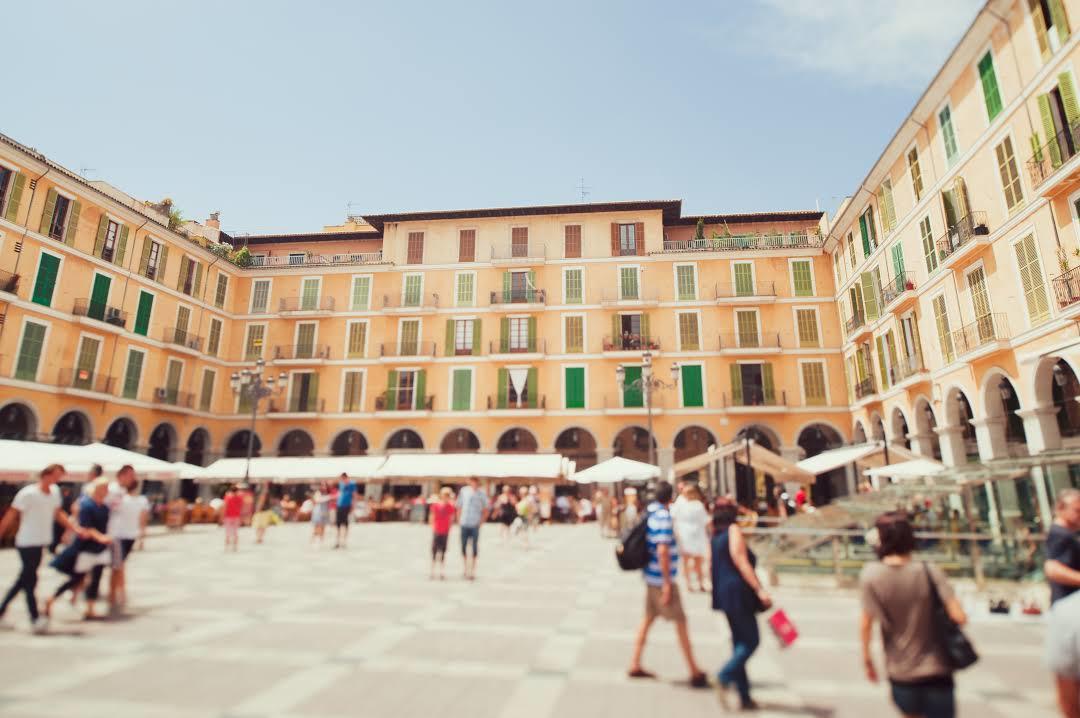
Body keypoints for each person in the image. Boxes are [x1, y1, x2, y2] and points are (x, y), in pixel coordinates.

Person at [860, 511, 967, 718]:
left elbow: (865, 624)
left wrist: (867, 661)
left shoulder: (871, 576)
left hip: (901, 669)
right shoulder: (930, 571)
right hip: (937, 667)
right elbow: (959, 616)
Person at [627, 481, 707, 688]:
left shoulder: (650, 513)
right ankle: (694, 670)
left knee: (648, 619)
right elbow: (662, 550)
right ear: (670, 498)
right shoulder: (662, 517)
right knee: (681, 621)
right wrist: (667, 584)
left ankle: (635, 663)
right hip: (661, 580)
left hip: (651, 577)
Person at [0, 464, 85, 633]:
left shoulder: (53, 492)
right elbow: (11, 515)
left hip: (41, 541)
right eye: (56, 475)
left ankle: (2, 610)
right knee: (30, 579)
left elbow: (58, 513)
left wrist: (74, 528)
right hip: (26, 541)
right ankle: (35, 618)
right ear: (46, 474)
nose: (58, 480)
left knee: (24, 579)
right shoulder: (28, 493)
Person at [711, 497, 772, 710]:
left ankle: (744, 696)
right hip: (738, 591)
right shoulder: (732, 530)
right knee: (751, 641)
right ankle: (724, 676)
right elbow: (741, 561)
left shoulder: (715, 532)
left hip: (723, 592)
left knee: (739, 643)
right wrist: (759, 589)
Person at [47, 477, 113, 620]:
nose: (106, 491)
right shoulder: (87, 505)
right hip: (86, 547)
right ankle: (51, 599)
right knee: (77, 578)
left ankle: (90, 608)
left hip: (100, 548)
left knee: (96, 577)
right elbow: (86, 527)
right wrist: (101, 537)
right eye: (105, 488)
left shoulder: (105, 507)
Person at [1043, 489, 1080, 717]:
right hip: (1068, 612)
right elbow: (1052, 568)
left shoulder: (1066, 533)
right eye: (1077, 510)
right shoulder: (1060, 534)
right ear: (1060, 509)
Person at [102, 465, 149, 611]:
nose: (133, 478)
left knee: (119, 565)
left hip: (128, 535)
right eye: (130, 475)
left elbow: (141, 518)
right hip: (116, 535)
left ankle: (119, 593)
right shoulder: (112, 490)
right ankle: (113, 595)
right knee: (117, 566)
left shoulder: (128, 495)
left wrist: (141, 535)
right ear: (121, 475)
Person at [673, 484, 710, 593]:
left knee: (686, 561)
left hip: (684, 535)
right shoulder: (699, 505)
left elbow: (674, 518)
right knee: (698, 561)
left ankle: (689, 584)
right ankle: (700, 583)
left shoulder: (680, 505)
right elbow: (705, 521)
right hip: (697, 535)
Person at [456, 477, 489, 580]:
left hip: (475, 523)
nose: (473, 483)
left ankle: (473, 571)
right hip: (464, 522)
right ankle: (465, 569)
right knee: (463, 546)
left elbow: (486, 509)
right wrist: (458, 520)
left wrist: (481, 522)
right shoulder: (464, 491)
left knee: (474, 547)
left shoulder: (482, 493)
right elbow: (459, 506)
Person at [429, 487, 456, 580]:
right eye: (445, 495)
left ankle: (441, 571)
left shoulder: (450, 506)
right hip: (437, 530)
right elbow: (432, 516)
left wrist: (449, 528)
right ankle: (432, 571)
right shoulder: (436, 505)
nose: (446, 497)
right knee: (434, 551)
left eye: (448, 496)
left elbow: (452, 518)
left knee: (443, 552)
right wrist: (433, 527)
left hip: (445, 531)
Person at [335, 473, 357, 549]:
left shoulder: (352, 484)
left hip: (346, 505)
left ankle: (344, 541)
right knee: (338, 524)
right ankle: (337, 541)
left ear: (345, 477)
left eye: (342, 478)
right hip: (339, 505)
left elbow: (354, 495)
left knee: (345, 523)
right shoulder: (341, 484)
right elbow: (340, 494)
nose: (342, 480)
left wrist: (353, 506)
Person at [222, 484, 244, 552]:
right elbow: (241, 507)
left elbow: (225, 506)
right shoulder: (240, 497)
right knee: (235, 532)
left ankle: (226, 547)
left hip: (228, 516)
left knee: (228, 532)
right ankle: (235, 547)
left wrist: (222, 516)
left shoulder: (228, 497)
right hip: (236, 516)